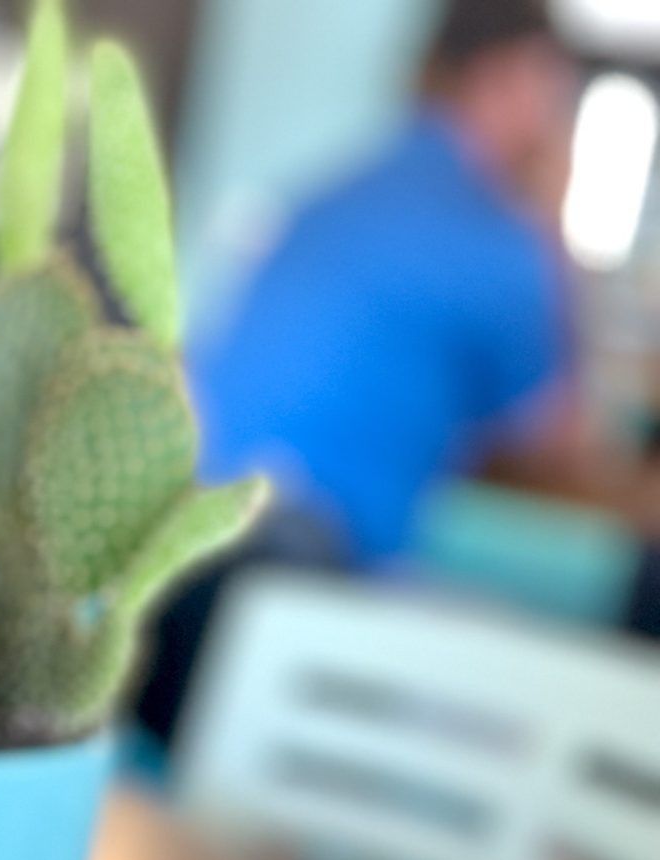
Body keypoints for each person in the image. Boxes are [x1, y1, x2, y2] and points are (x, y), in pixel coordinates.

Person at [138, 0, 579, 740]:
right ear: (511, 83)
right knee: (550, 710)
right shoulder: (500, 237)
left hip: (168, 553)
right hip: (281, 583)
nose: (555, 121)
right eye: (554, 95)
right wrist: (553, 218)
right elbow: (562, 443)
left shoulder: (334, 189)